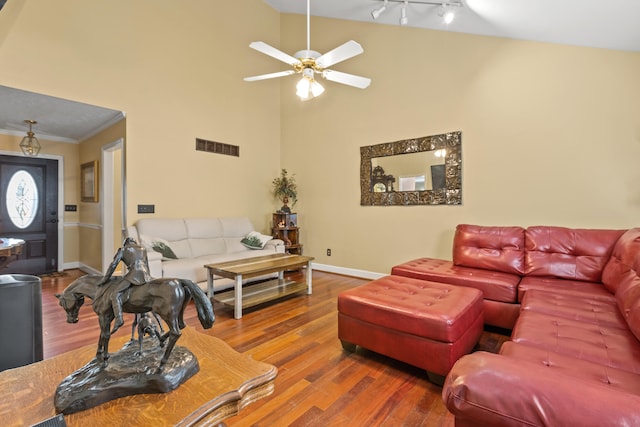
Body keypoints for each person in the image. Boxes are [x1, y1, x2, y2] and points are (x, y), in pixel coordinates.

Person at [99, 237, 153, 333]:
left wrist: (105, 279)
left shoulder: (123, 250)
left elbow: (113, 265)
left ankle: (119, 318)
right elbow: (147, 265)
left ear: (125, 243)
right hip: (146, 276)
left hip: (133, 275)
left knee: (115, 294)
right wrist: (149, 278)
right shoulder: (142, 249)